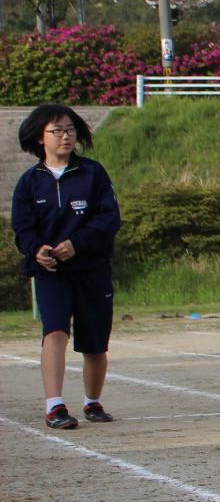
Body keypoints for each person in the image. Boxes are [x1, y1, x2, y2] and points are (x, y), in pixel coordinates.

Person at [12, 105, 120, 429]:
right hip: (52, 273)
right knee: (55, 331)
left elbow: (108, 219)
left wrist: (78, 243)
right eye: (57, 130)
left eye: (70, 129)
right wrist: (37, 251)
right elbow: (23, 229)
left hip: (92, 269)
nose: (65, 136)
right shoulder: (29, 183)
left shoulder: (93, 173)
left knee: (95, 342)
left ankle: (92, 402)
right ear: (39, 137)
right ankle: (55, 406)